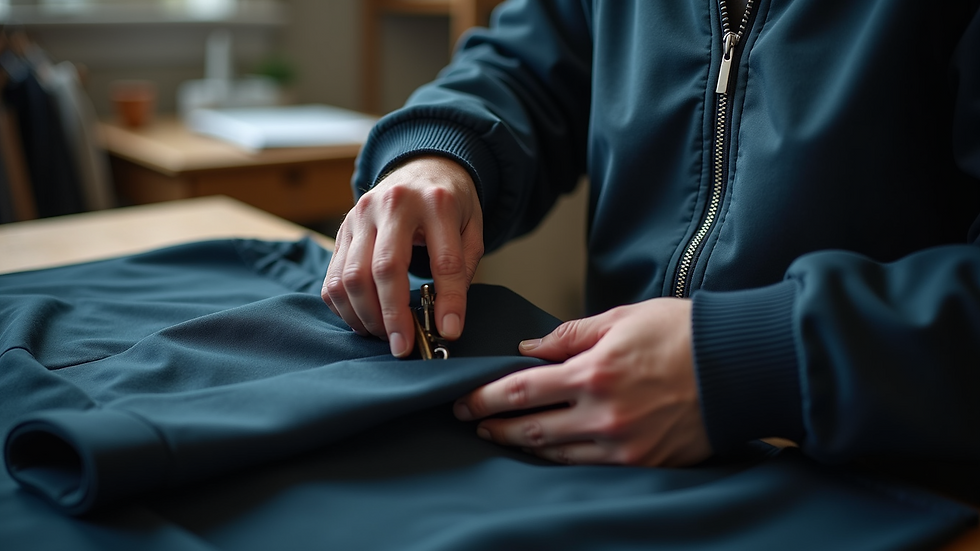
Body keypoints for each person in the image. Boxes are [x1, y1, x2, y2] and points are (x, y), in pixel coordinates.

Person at [322, 0, 980, 468]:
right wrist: (442, 150)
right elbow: (525, 64)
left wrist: (755, 361)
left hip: (890, 473)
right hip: (612, 438)